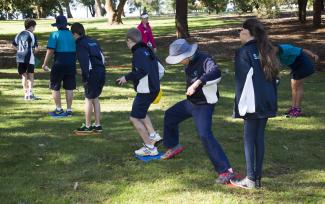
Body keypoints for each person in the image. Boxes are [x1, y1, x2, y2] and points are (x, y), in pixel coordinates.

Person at [163, 39, 236, 184]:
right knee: (170, 115)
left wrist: (197, 83)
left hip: (204, 106)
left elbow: (216, 72)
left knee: (205, 135)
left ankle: (225, 171)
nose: (178, 62)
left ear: (188, 55)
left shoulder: (205, 59)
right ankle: (174, 146)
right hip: (191, 103)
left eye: (179, 59)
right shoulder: (189, 62)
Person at [230, 18, 279, 189]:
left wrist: (239, 108)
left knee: (249, 139)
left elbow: (241, 82)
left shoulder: (243, 52)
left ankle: (250, 179)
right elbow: (275, 79)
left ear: (247, 32)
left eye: (240, 30)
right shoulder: (266, 49)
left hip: (252, 102)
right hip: (267, 100)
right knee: (259, 138)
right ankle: (256, 178)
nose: (238, 34)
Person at [116, 28, 162, 156]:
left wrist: (126, 77)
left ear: (130, 40)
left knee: (134, 118)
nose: (127, 45)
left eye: (127, 42)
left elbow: (142, 71)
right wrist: (155, 82)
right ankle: (153, 135)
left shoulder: (138, 52)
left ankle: (150, 148)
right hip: (152, 88)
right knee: (141, 113)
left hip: (145, 90)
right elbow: (160, 69)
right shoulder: (147, 49)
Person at [70, 23, 106, 134]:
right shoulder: (93, 41)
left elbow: (85, 62)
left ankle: (88, 126)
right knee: (95, 98)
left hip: (92, 74)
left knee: (88, 99)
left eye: (72, 34)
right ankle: (98, 125)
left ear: (75, 34)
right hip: (101, 71)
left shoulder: (80, 44)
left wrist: (85, 75)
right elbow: (102, 57)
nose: (72, 37)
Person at [42, 15, 76, 117]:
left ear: (57, 26)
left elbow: (50, 50)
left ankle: (59, 109)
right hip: (71, 63)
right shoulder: (73, 35)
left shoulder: (54, 34)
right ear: (66, 25)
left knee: (55, 86)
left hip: (59, 62)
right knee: (69, 87)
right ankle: (69, 110)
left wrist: (45, 63)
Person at [275, 44, 318, 117]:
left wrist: (313, 55)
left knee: (297, 86)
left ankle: (296, 109)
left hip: (303, 65)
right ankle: (294, 108)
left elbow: (302, 50)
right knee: (294, 87)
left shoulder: (286, 48)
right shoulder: (275, 54)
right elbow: (277, 65)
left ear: (275, 47)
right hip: (296, 67)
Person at [12, 19, 39, 100]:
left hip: (19, 57)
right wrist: (33, 52)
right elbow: (36, 49)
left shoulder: (19, 34)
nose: (34, 29)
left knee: (24, 76)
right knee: (30, 75)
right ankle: (30, 94)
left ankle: (25, 94)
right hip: (29, 58)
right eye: (34, 27)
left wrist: (20, 50)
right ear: (31, 27)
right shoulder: (31, 34)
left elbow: (13, 45)